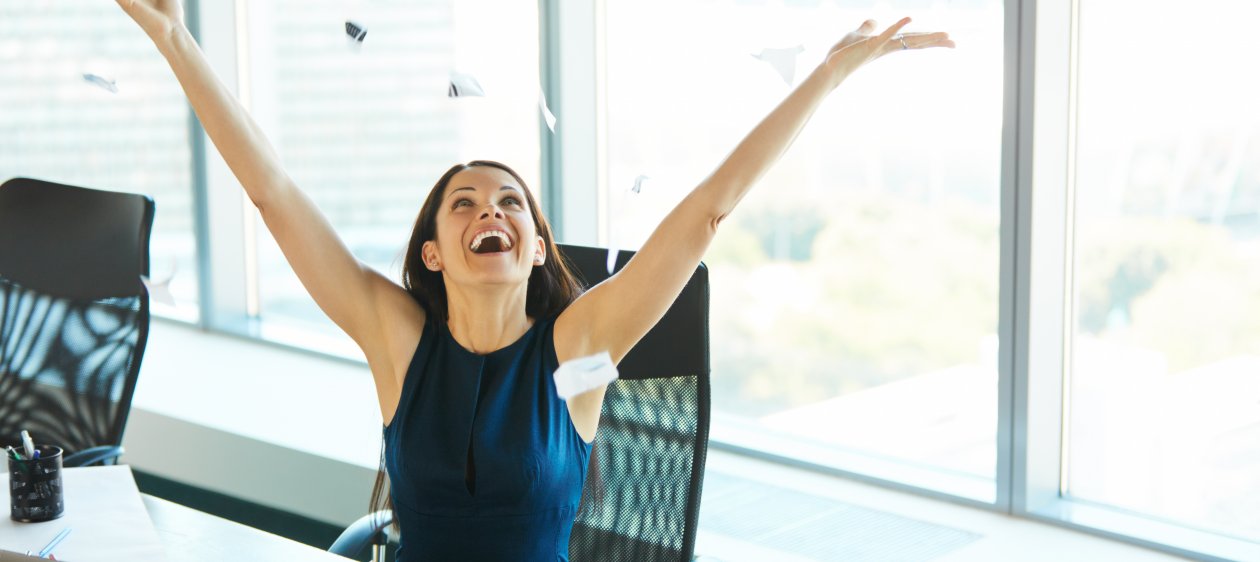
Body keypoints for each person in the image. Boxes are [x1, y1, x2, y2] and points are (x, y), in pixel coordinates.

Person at [115, 1, 953, 559]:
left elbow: (706, 213)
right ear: (436, 251)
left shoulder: (580, 344)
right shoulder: (398, 340)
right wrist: (175, 38)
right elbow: (273, 193)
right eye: (466, 202)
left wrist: (831, 73)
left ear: (535, 245)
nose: (495, 210)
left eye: (513, 202)